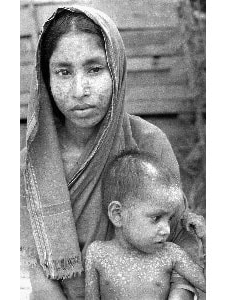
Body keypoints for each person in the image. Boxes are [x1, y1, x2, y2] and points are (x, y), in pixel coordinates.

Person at [20, 5, 203, 300]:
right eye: (63, 72)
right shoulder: (32, 166)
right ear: (46, 79)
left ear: (116, 70)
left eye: (94, 69)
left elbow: (180, 241)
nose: (79, 90)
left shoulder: (149, 143)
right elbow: (41, 278)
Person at [85, 150, 205, 300]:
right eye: (156, 218)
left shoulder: (170, 254)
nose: (166, 230)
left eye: (170, 219)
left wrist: (205, 239)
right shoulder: (98, 253)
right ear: (118, 214)